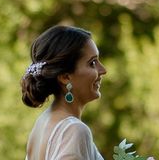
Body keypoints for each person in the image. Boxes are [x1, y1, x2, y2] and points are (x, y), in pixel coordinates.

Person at [21, 25, 107, 160]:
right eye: (92, 63)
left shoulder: (42, 123)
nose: (103, 70)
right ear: (65, 77)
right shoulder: (74, 130)